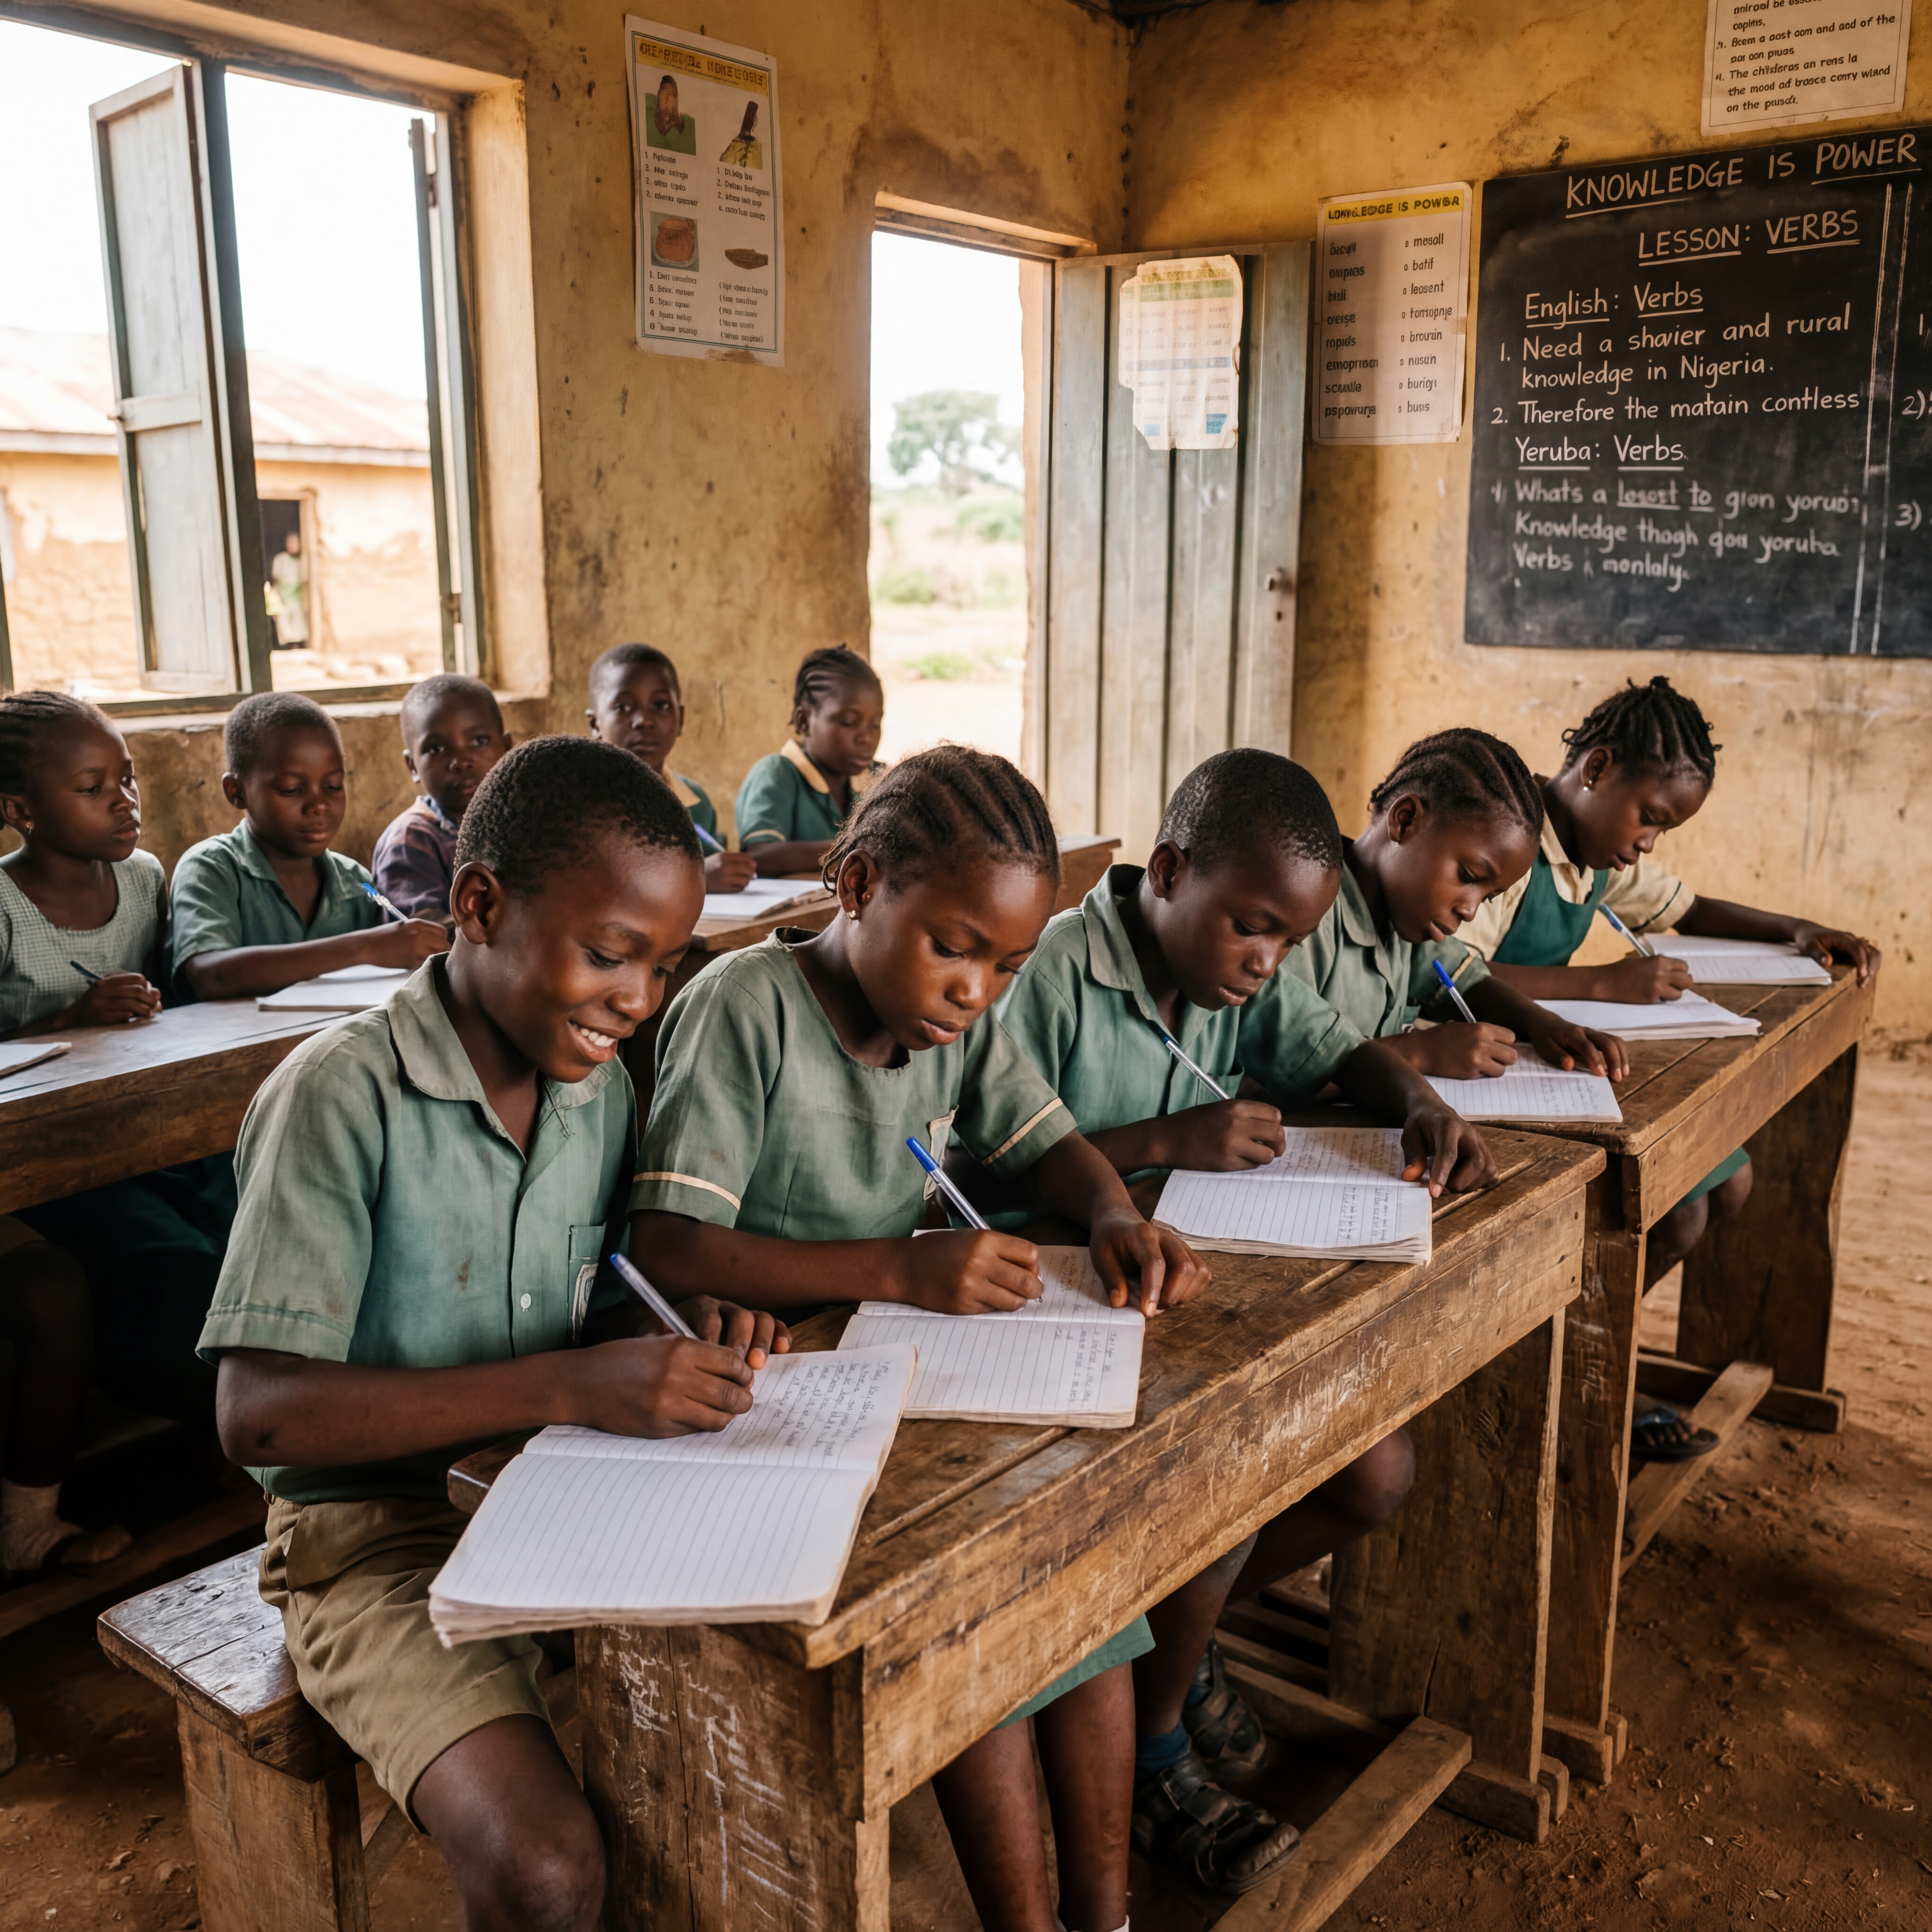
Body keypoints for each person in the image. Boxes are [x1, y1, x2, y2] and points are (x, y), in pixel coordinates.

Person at [200, 736, 783, 1932]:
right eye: (612, 955)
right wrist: (575, 1383)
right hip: (376, 1538)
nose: (638, 999)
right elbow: (259, 1412)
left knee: (763, 1716)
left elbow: (594, 1289)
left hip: (546, 1493)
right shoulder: (340, 1096)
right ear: (477, 904)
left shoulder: (592, 1086)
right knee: (548, 1870)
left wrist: (674, 1325)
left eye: (664, 967)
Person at [633, 746, 1208, 1932]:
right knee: (975, 1618)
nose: (975, 991)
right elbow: (674, 1246)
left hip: (903, 1378)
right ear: (854, 888)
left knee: (1084, 1592)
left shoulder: (954, 1024)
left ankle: (1103, 1918)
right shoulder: (743, 1010)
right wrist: (900, 1264)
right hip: (766, 1395)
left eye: (1007, 965)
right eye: (953, 947)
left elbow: (1045, 1134)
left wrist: (1110, 1208)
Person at [992, 747, 1495, 1895]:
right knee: (1212, 1503)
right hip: (1060, 1308)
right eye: (1250, 928)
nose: (1264, 960)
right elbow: (977, 1161)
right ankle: (1158, 1740)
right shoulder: (1058, 969)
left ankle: (1186, 1644)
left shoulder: (1247, 970)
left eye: (1285, 940)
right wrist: (1168, 1142)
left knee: (1374, 1472)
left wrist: (1419, 1099)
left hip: (1195, 1308)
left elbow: (1332, 1050)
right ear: (1166, 873)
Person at [1456, 678, 1882, 1458]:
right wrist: (1598, 983)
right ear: (1596, 769)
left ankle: (1584, 1345)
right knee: (1668, 1208)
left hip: (1544, 1061)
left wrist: (1798, 927)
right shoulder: (1508, 840)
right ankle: (1560, 1362)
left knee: (1726, 1184)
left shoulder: (1595, 857)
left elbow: (1685, 906)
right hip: (1479, 1074)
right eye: (1649, 817)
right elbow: (1449, 971)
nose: (1649, 841)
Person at [1285, 728, 1626, 1085]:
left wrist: (1540, 1023)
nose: (1471, 911)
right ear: (1405, 821)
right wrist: (1419, 1053)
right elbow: (1271, 1076)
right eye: (1468, 875)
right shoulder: (1302, 920)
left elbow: (1467, 979)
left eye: (1488, 897)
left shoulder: (1404, 921)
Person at [170, 693, 448, 1000]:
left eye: (333, 786)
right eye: (292, 790)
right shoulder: (212, 869)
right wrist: (365, 947)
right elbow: (209, 976)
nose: (319, 805)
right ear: (237, 793)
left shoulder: (357, 884)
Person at [585, 643, 755, 890]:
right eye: (623, 707)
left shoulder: (695, 801)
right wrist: (696, 878)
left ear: (681, 719)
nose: (644, 721)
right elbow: (592, 887)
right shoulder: (583, 803)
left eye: (661, 705)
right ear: (595, 725)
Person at [733, 645, 885, 878]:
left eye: (875, 723)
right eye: (847, 722)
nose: (866, 737)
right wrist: (856, 849)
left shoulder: (880, 778)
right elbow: (760, 857)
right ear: (804, 721)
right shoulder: (777, 774)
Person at [372, 675, 515, 924]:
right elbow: (427, 935)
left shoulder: (524, 822)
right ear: (413, 766)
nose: (461, 762)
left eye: (479, 741)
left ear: (506, 748)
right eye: (437, 749)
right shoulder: (410, 841)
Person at [268, 530, 308, 650]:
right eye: (290, 542)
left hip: (299, 598)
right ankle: (288, 646)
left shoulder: (304, 559)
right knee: (284, 623)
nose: (293, 545)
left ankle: (298, 645)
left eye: (295, 542)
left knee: (299, 623)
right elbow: (276, 580)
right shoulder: (281, 560)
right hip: (284, 597)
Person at [645, 72, 696, 154]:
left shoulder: (681, 126)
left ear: (675, 102)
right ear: (659, 94)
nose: (668, 97)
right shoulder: (649, 116)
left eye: (671, 94)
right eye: (665, 91)